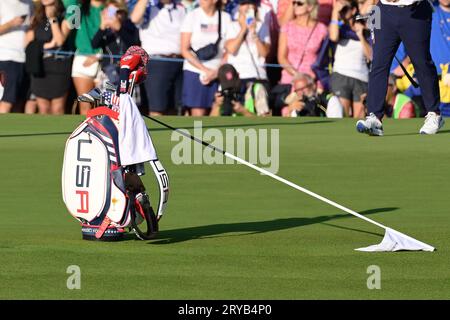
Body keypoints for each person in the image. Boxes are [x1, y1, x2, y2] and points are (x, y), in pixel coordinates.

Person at [356, 0, 445, 136]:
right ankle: (374, 117)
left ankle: (434, 114)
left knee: (421, 62)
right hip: (380, 11)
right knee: (378, 64)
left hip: (415, 11)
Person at [131, 0, 186, 116]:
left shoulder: (180, 7)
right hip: (157, 62)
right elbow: (135, 19)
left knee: (176, 108)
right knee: (157, 108)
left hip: (179, 61)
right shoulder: (149, 7)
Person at [180, 0, 232, 116]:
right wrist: (205, 70)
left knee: (218, 110)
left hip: (219, 71)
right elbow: (184, 49)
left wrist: (217, 71)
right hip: (195, 71)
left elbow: (229, 49)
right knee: (198, 114)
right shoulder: (192, 16)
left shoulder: (226, 18)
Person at [24, 0, 72, 115]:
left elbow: (59, 41)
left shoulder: (66, 17)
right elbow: (27, 43)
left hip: (59, 67)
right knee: (43, 108)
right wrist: (47, 45)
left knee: (57, 108)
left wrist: (52, 19)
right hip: (39, 66)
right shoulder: (36, 17)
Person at [329, 0, 372, 118]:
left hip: (361, 77)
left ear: (353, 10)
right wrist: (334, 12)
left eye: (345, 9)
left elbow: (371, 56)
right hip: (341, 75)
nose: (342, 12)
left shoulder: (365, 28)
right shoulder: (339, 28)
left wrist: (361, 36)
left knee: (360, 116)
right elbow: (333, 37)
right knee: (341, 115)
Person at [65, 0, 106, 115]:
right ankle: (87, 132)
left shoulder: (109, 9)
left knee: (103, 106)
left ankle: (102, 132)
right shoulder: (78, 8)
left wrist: (98, 56)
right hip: (83, 59)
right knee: (85, 106)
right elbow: (71, 22)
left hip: (105, 61)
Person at [277, 0, 328, 87]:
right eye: (294, 3)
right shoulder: (287, 27)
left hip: (313, 81)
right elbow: (281, 57)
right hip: (290, 79)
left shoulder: (321, 29)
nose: (295, 5)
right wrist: (297, 75)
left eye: (299, 3)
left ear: (310, 7)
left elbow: (325, 58)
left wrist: (312, 76)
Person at [92, 1, 140, 89]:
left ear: (124, 13)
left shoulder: (131, 27)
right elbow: (94, 44)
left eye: (117, 12)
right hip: (108, 73)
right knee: (108, 102)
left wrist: (120, 29)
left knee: (127, 102)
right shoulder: (106, 30)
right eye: (110, 12)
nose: (114, 16)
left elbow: (134, 46)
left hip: (128, 73)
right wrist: (102, 27)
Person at [0, 0, 33, 113]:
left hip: (24, 58)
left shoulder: (29, 3)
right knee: (6, 101)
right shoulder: (2, 3)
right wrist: (11, 23)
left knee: (19, 101)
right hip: (6, 57)